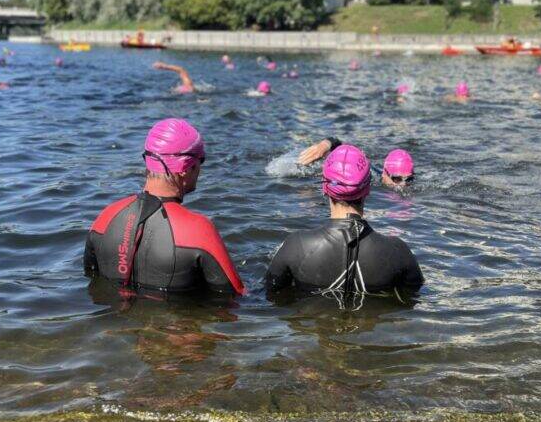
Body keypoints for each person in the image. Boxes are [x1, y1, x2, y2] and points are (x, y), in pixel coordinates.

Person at [84, 118, 245, 296]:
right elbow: (235, 298)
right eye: (202, 160)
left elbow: (93, 282)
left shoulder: (104, 218)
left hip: (116, 322)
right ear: (186, 167)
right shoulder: (199, 230)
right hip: (176, 323)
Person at [266, 144, 423, 309]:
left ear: (324, 188)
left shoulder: (295, 245)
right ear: (368, 188)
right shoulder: (398, 251)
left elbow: (271, 297)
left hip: (313, 330)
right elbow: (412, 302)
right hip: (371, 331)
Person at [298, 138, 415, 188]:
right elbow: (346, 147)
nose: (403, 185)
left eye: (409, 180)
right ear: (385, 173)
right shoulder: (368, 174)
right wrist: (326, 144)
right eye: (397, 179)